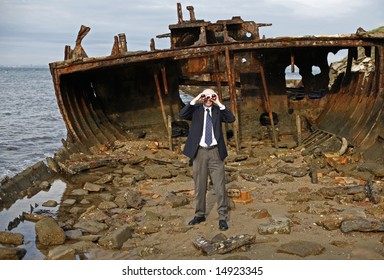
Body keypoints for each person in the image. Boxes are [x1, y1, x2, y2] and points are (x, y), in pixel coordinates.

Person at [179, 88, 235, 231]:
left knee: (219, 187)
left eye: (211, 96)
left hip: (216, 152)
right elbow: (182, 114)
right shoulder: (196, 110)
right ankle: (199, 214)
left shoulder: (217, 110)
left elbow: (231, 118)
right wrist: (196, 98)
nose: (209, 99)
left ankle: (222, 217)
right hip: (200, 152)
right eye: (206, 97)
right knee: (200, 186)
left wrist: (219, 102)